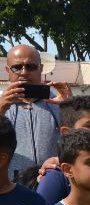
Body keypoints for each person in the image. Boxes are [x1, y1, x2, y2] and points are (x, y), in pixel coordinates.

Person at [1, 45, 67, 180]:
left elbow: (77, 142)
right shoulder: (1, 102)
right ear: (8, 70)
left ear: (41, 68)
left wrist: (70, 108)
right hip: (9, 187)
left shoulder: (56, 102)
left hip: (50, 184)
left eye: (31, 67)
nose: (24, 72)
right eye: (17, 67)